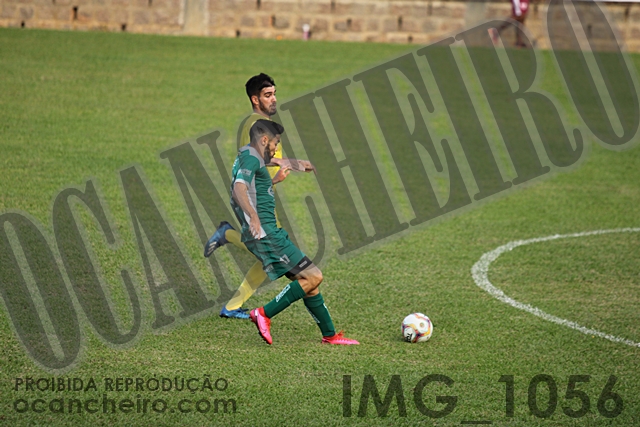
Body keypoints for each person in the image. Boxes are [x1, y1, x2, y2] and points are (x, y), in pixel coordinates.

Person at [231, 119, 358, 345]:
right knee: (314, 276)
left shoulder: (248, 154)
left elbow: (266, 168)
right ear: (264, 140)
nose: (276, 148)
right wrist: (254, 216)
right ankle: (263, 313)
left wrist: (294, 165)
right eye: (275, 143)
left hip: (267, 232)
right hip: (266, 234)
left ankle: (329, 335)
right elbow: (238, 188)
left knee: (307, 281)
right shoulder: (251, 159)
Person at [204, 73, 314, 319]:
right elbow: (250, 160)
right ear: (255, 99)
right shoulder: (255, 125)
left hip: (262, 195)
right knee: (269, 254)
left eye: (274, 94)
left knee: (266, 252)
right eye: (267, 95)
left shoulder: (262, 123)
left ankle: (227, 235)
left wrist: (279, 173)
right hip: (254, 200)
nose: (273, 99)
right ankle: (232, 306)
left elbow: (260, 161)